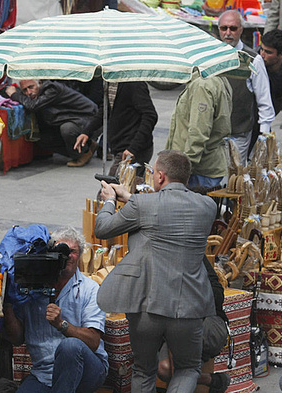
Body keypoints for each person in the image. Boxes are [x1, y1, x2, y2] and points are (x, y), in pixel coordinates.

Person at [95, 150, 218, 393]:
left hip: (147, 305)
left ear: (161, 177)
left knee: (143, 370)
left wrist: (110, 200)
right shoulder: (208, 206)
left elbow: (102, 228)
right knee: (188, 368)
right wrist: (129, 196)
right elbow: (166, 212)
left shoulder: (144, 205)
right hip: (190, 307)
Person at [2, 226, 109, 392]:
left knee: (70, 346)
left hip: (88, 371)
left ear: (80, 256)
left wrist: (62, 324)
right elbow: (17, 339)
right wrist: (7, 301)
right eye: (61, 250)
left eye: (72, 251)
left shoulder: (90, 289)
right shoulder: (32, 289)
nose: (66, 256)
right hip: (44, 374)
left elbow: (94, 342)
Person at [157, 259, 231, 393]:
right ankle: (211, 380)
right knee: (164, 368)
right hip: (171, 324)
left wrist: (191, 299)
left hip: (206, 319)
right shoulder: (158, 258)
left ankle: (191, 376)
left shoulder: (196, 254)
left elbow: (217, 293)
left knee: (180, 361)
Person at [218, 10, 275, 161]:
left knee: (235, 179)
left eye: (233, 28)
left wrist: (264, 134)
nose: (228, 33)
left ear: (241, 30)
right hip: (214, 134)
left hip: (239, 134)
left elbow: (264, 99)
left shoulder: (253, 60)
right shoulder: (212, 56)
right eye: (224, 28)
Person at [3, 80, 99, 167]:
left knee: (67, 129)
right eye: (25, 90)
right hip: (71, 119)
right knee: (43, 139)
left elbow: (33, 106)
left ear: (39, 84)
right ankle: (88, 145)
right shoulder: (41, 93)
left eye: (31, 87)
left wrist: (14, 94)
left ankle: (83, 153)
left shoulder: (52, 89)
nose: (28, 92)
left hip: (89, 120)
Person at [165, 74, 232, 189]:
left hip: (198, 171)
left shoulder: (202, 85)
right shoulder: (217, 79)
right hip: (206, 167)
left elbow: (198, 132)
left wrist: (184, 168)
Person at [106, 81, 158, 176]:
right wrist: (87, 132)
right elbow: (107, 109)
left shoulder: (134, 84)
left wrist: (133, 148)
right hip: (120, 147)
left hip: (132, 149)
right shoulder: (110, 81)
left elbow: (150, 115)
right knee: (131, 187)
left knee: (111, 187)